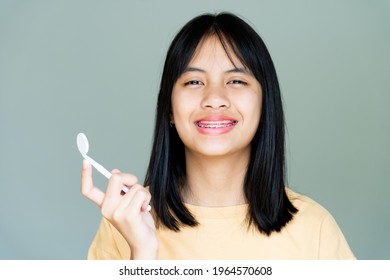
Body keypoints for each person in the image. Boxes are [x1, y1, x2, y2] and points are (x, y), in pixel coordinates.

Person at [81, 12, 355, 260]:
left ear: (264, 104)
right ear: (170, 109)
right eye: (194, 82)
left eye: (236, 81)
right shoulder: (125, 223)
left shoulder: (315, 229)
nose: (214, 99)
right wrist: (142, 254)